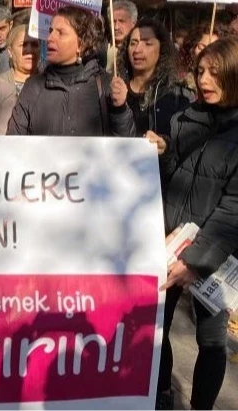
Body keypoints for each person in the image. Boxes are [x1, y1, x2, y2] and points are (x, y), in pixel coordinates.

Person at [155, 36, 238, 411]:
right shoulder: (184, 119)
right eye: (201, 71)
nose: (204, 80)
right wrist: (162, 152)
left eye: (215, 73)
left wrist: (196, 261)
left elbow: (233, 209)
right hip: (171, 243)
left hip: (215, 255)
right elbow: (174, 179)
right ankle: (162, 393)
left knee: (212, 340)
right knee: (158, 326)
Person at [7, 6, 135, 137]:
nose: (50, 38)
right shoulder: (33, 87)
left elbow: (126, 141)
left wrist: (120, 110)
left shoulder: (106, 85)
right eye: (50, 31)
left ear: (82, 44)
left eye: (60, 33)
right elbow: (14, 140)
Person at [118, 19, 193, 137]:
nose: (137, 50)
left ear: (161, 49)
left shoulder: (178, 95)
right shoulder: (115, 90)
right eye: (133, 43)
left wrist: (166, 144)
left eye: (147, 44)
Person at [179, 24, 227, 92]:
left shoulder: (227, 85)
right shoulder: (178, 82)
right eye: (202, 47)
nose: (206, 53)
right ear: (193, 48)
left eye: (214, 49)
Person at [0, 24, 40, 96]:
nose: (29, 50)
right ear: (10, 52)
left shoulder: (49, 82)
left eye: (34, 44)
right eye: (23, 45)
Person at [106, 0, 137, 73]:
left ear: (133, 23)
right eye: (113, 21)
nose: (116, 27)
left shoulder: (138, 51)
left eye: (121, 21)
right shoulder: (101, 48)